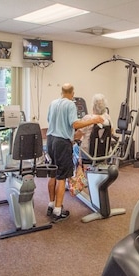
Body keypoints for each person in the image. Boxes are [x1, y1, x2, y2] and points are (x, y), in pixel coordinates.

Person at [46, 83, 103, 222]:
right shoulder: (71, 104)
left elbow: (49, 120)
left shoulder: (53, 103)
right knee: (61, 177)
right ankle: (58, 211)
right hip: (61, 142)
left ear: (61, 92)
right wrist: (94, 120)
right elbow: (75, 124)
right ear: (72, 93)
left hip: (50, 140)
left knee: (53, 174)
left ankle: (51, 205)